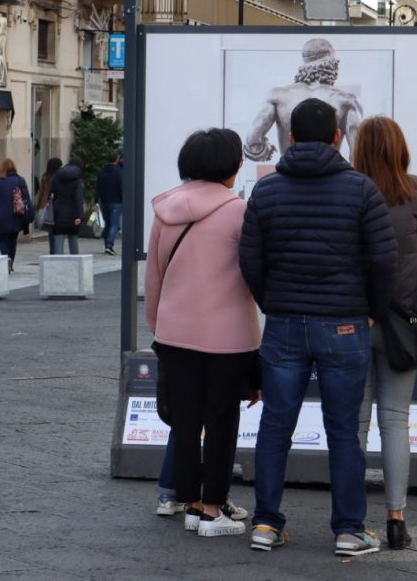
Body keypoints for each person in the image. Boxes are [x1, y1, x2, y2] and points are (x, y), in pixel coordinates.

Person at [239, 98, 396, 556]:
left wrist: (273, 301)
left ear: (289, 138)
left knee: (274, 426)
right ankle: (349, 530)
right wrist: (371, 310)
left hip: (284, 323)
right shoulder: (361, 189)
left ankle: (265, 525)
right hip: (345, 323)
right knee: (344, 429)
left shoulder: (266, 192)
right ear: (334, 137)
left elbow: (249, 259)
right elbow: (384, 260)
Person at [145, 128, 261, 538]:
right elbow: (252, 274)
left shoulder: (164, 209)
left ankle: (193, 504)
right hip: (228, 336)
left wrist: (159, 324)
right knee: (222, 421)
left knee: (186, 421)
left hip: (174, 332)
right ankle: (213, 510)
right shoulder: (239, 212)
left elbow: (154, 276)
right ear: (231, 166)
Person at [351, 115, 417, 551]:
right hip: (405, 321)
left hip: (354, 319)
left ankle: (351, 520)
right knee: (396, 419)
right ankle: (396, 519)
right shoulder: (415, 187)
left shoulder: (349, 187)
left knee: (355, 419)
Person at [243, 38, 363, 162]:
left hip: (289, 176)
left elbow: (253, 140)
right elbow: (358, 155)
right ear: (331, 64)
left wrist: (264, 151)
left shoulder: (277, 96)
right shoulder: (346, 101)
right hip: (329, 175)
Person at [0, 158, 33, 273]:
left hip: (1, 216)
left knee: (2, 240)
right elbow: (26, 198)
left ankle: (6, 260)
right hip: (16, 216)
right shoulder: (20, 180)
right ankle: (11, 262)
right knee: (13, 240)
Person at [50, 157, 84, 255]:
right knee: (73, 241)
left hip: (58, 213)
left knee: (58, 241)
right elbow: (79, 199)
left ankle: (58, 264)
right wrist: (80, 216)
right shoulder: (77, 180)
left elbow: (51, 194)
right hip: (73, 215)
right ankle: (75, 265)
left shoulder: (56, 176)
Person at [96, 153, 123, 255]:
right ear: (117, 160)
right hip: (116, 201)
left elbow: (97, 187)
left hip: (104, 201)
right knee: (114, 225)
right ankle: (109, 245)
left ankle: (106, 245)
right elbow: (121, 187)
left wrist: (96, 200)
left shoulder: (102, 172)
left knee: (107, 224)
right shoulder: (119, 172)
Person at [35, 157, 63, 240]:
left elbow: (41, 193)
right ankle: (56, 246)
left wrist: (38, 206)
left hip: (46, 204)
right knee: (56, 226)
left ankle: (52, 248)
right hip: (57, 204)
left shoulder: (45, 176)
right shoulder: (59, 176)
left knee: (50, 226)